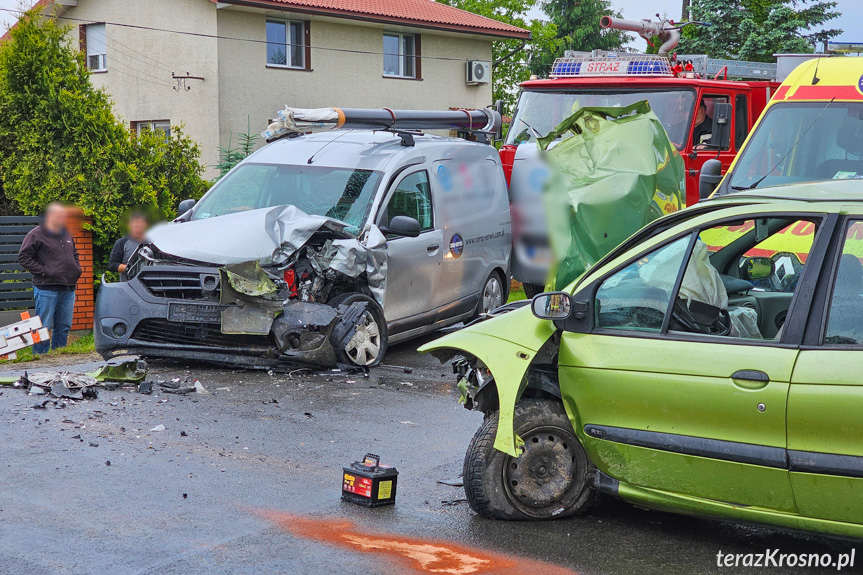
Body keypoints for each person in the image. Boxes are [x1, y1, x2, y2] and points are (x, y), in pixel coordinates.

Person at [18, 203, 82, 354]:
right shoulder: (36, 234)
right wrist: (45, 271)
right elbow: (23, 257)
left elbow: (75, 254)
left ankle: (59, 355)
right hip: (46, 288)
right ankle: (40, 357)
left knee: (64, 325)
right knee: (43, 326)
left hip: (68, 288)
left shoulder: (66, 234)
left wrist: (76, 269)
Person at [108, 211, 149, 275]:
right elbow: (112, 265)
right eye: (135, 222)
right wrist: (130, 268)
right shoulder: (122, 242)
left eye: (142, 222)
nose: (138, 225)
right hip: (128, 283)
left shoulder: (154, 243)